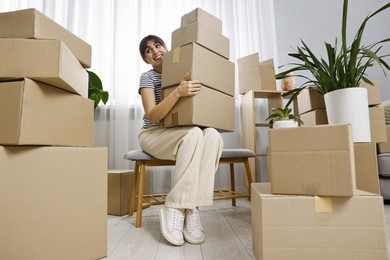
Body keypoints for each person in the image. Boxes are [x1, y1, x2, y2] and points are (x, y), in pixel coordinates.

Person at [137, 35, 223, 246]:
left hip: (180, 133)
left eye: (158, 45)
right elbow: (153, 116)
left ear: (166, 48)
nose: (155, 51)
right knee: (193, 134)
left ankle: (191, 208)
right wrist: (177, 92)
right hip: (153, 135)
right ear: (147, 59)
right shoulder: (147, 78)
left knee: (212, 135)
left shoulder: (186, 71)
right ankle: (174, 207)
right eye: (148, 50)